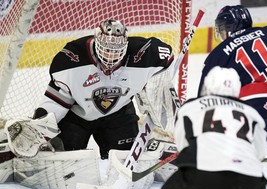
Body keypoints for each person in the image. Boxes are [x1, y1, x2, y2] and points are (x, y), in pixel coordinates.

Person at [32, 19, 174, 159]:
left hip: (119, 114)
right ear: (97, 43)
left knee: (125, 158)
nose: (111, 55)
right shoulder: (72, 61)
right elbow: (55, 102)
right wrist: (38, 130)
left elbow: (167, 60)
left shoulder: (143, 55)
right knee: (65, 161)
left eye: (116, 50)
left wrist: (153, 86)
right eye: (107, 49)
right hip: (77, 117)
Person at [154, 66, 267, 189]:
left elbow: (182, 144)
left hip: (202, 173)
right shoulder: (252, 113)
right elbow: (260, 153)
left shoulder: (191, 107)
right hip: (249, 179)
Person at [197, 5, 267, 150]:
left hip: (259, 117)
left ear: (229, 27)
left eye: (222, 29)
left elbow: (205, 102)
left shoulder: (218, 54)